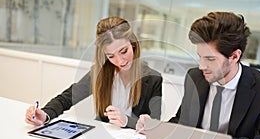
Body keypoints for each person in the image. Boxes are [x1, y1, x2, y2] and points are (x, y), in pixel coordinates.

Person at [138, 11, 260, 139]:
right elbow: (182, 122)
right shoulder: (195, 77)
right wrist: (159, 130)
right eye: (200, 57)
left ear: (234, 56)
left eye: (210, 59)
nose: (201, 66)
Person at [25, 16, 162, 129]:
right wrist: (45, 115)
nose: (120, 61)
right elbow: (66, 98)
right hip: (102, 138)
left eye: (123, 51)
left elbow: (154, 126)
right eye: (111, 56)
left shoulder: (153, 79)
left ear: (133, 44)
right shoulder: (100, 73)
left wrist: (127, 121)